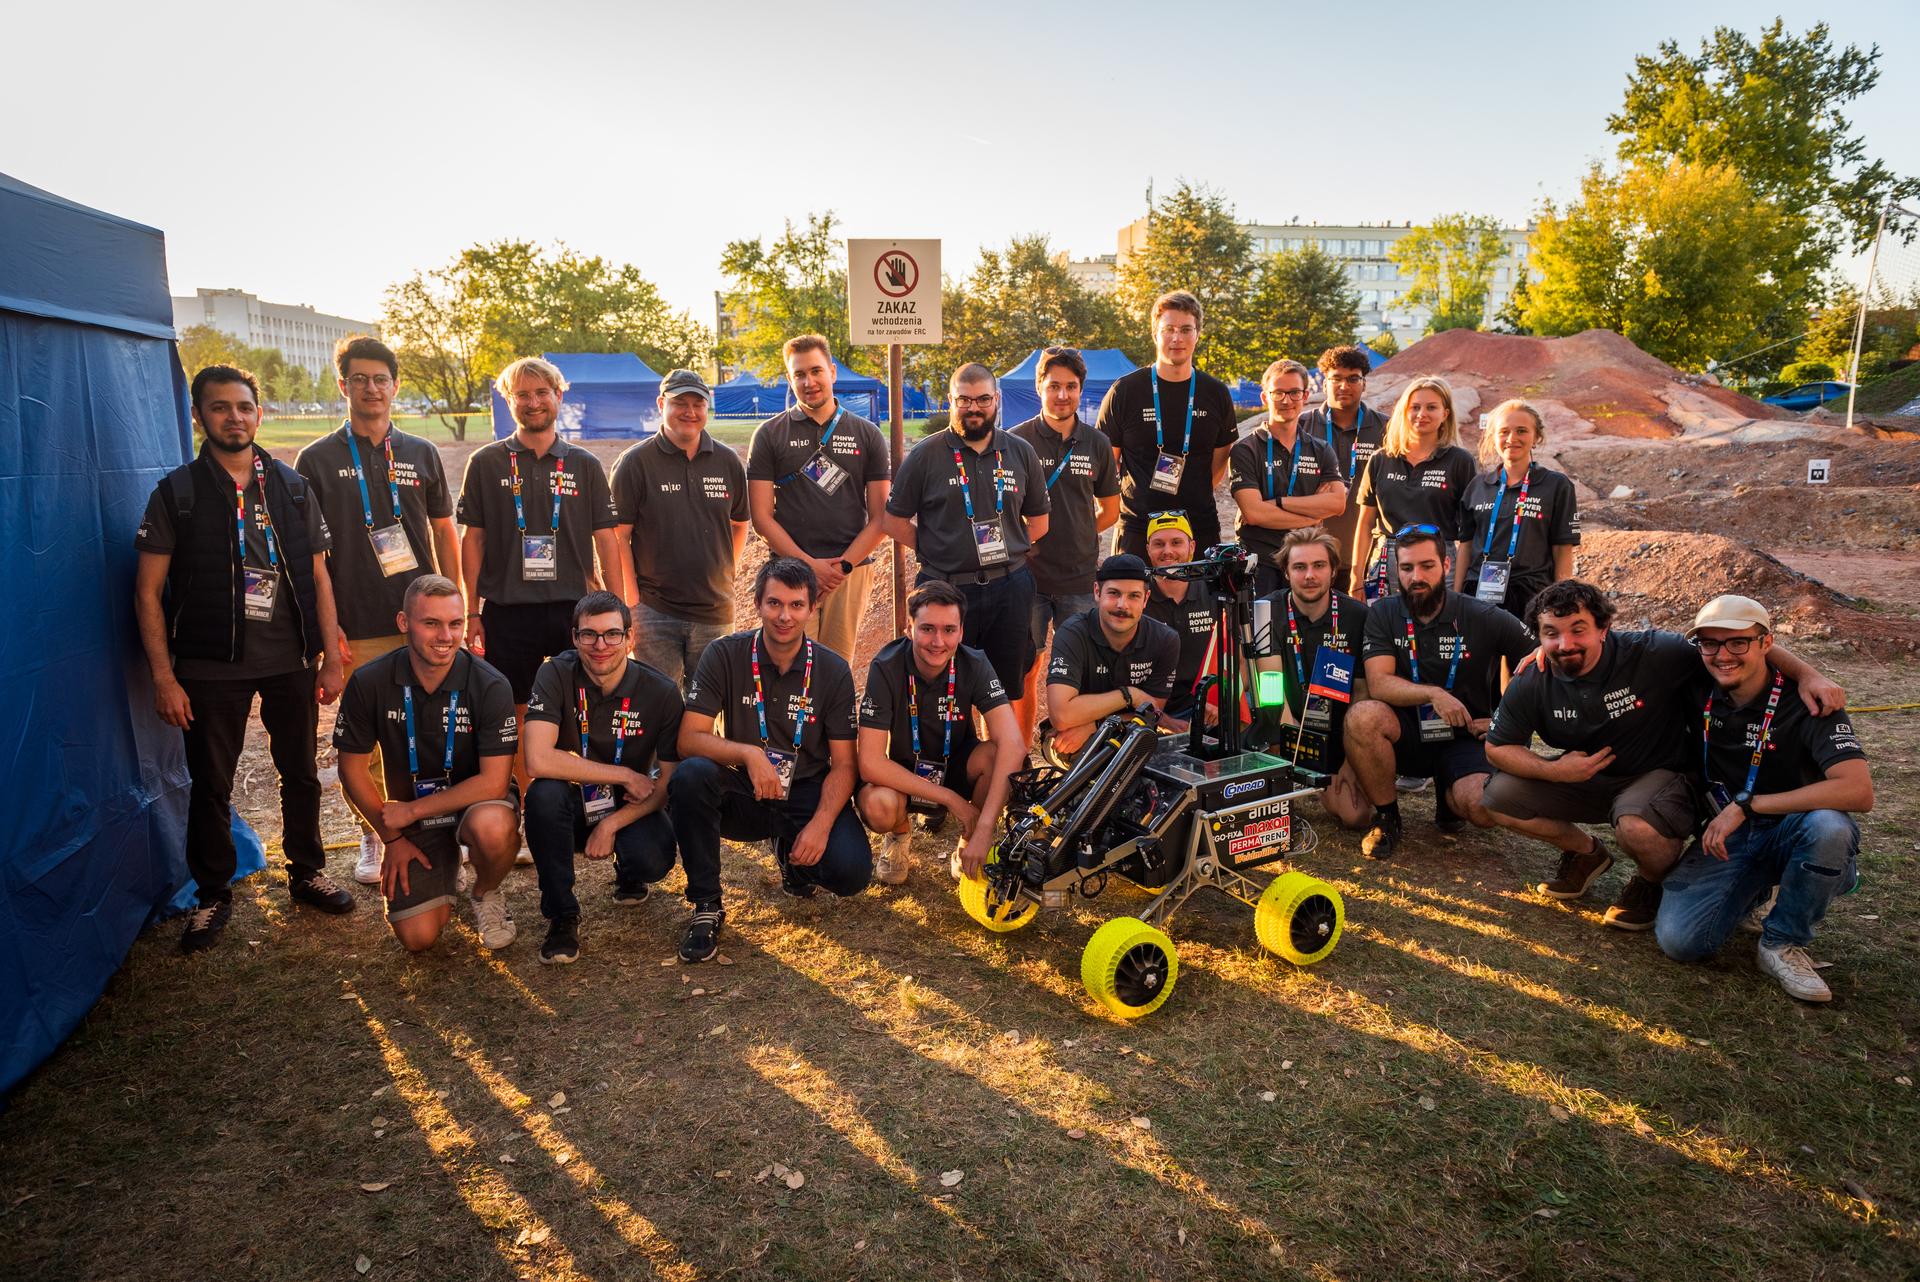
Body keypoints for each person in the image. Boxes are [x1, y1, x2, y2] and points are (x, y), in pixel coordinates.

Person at [134, 364, 353, 953]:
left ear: (260, 413)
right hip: (209, 667)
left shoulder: (292, 486)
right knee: (211, 784)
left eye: (244, 406)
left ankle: (306, 871)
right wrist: (164, 677)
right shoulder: (177, 493)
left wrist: (330, 657)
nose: (234, 417)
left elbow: (319, 577)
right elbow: (147, 593)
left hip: (290, 660)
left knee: (300, 773)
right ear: (198, 416)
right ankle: (212, 893)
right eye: (220, 407)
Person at [1483, 582, 1846, 931]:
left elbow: (1731, 646)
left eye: (1578, 630)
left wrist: (1808, 675)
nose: (1566, 644)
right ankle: (1586, 854)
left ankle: (1650, 882)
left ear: (1604, 628)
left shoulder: (1653, 652)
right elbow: (1497, 747)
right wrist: (1555, 771)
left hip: (1657, 777)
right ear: (1539, 636)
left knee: (1637, 828)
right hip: (1585, 778)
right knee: (1498, 797)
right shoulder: (1533, 679)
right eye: (1552, 633)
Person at [295, 335, 461, 885]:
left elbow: (444, 530)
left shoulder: (421, 452)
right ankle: (374, 830)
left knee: (431, 727)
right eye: (360, 379)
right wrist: (329, 629)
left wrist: (455, 607)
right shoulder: (316, 459)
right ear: (343, 385)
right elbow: (312, 558)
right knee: (364, 738)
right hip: (356, 622)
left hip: (422, 619)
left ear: (395, 386)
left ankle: (436, 829)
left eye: (381, 379)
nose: (371, 388)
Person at [1656, 596, 1872, 1002]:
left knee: (1830, 828)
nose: (1723, 655)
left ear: (1766, 643)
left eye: (1738, 642)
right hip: (1728, 837)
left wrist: (1748, 805)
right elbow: (1610, 646)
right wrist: (1546, 648)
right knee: (1681, 942)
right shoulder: (1698, 677)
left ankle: (1782, 943)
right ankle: (1759, 890)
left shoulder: (1808, 701)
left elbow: (1858, 790)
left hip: (1792, 826)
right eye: (1710, 643)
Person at [669, 557, 871, 963]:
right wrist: (748, 753)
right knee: (691, 776)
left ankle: (793, 856)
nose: (784, 616)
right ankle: (707, 904)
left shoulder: (832, 670)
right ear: (758, 603)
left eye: (796, 605)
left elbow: (845, 765)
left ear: (812, 608)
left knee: (850, 874)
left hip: (806, 788)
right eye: (774, 603)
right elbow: (689, 738)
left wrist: (820, 826)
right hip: (747, 787)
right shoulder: (724, 654)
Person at [457, 357, 621, 810]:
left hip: (574, 608)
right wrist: (471, 611)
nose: (533, 403)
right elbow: (473, 541)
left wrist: (618, 609)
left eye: (542, 393)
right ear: (508, 401)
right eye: (522, 395)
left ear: (558, 396)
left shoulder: (584, 464)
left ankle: (589, 802)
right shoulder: (486, 462)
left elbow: (607, 540)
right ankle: (533, 805)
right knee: (518, 712)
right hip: (508, 610)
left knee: (585, 706)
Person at [331, 575, 522, 953]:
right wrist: (392, 838)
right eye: (431, 623)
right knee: (418, 939)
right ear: (404, 622)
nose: (445, 636)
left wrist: (410, 811)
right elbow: (351, 768)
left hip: (472, 805)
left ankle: (486, 892)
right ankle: (446, 865)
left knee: (493, 826)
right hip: (413, 821)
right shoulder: (370, 681)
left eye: (455, 624)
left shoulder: (490, 684)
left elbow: (494, 783)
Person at [1337, 525, 1535, 859]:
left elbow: (1538, 658)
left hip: (1465, 737)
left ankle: (1450, 796)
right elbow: (1379, 682)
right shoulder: (1383, 613)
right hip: (1408, 734)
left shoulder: (1480, 614)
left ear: (1445, 565)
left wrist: (1506, 721)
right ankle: (1388, 818)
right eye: (1407, 567)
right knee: (1362, 716)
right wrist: (1433, 694)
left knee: (1481, 810)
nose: (1416, 576)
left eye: (1426, 566)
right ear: (1396, 570)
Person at [520, 592, 686, 963]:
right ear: (574, 637)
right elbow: (537, 759)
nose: (600, 646)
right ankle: (562, 916)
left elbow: (666, 784)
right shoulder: (554, 673)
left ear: (630, 638)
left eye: (612, 634)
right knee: (542, 796)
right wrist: (623, 773)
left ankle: (629, 870)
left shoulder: (661, 692)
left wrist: (611, 825)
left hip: (629, 804)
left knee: (652, 860)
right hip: (573, 801)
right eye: (589, 635)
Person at [884, 363, 1049, 696]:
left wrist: (1007, 546)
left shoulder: (1020, 451)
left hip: (1009, 589)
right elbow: (893, 521)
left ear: (996, 399)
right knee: (942, 689)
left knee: (1002, 691)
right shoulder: (925, 455)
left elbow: (1040, 523)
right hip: (944, 589)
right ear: (950, 400)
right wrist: (938, 548)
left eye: (983, 399)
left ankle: (997, 734)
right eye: (964, 400)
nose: (974, 408)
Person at [855, 581, 1025, 885]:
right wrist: (950, 800)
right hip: (904, 773)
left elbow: (1014, 745)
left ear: (961, 631)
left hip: (955, 765)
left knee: (999, 756)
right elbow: (869, 762)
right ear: (909, 629)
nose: (938, 641)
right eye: (927, 629)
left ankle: (969, 839)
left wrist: (985, 827)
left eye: (949, 630)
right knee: (878, 805)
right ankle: (899, 833)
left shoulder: (975, 663)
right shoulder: (886, 666)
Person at [746, 335, 892, 660]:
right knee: (789, 665)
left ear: (832, 372)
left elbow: (881, 518)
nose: (809, 382)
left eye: (816, 371)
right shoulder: (769, 434)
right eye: (799, 374)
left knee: (837, 667)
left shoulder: (867, 434)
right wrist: (808, 567)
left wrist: (841, 568)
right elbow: (762, 518)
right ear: (790, 379)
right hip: (789, 573)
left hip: (849, 572)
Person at [611, 368, 748, 686]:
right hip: (655, 612)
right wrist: (633, 602)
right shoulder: (635, 463)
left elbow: (740, 523)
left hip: (715, 612)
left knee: (709, 704)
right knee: (662, 704)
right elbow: (619, 537)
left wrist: (727, 573)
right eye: (680, 403)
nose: (690, 412)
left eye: (698, 404)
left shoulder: (727, 461)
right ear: (661, 404)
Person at [1010, 347, 1121, 741]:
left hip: (1079, 578)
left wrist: (1080, 534)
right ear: (1039, 387)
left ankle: (1078, 751)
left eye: (1070, 387)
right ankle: (1019, 751)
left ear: (1080, 390)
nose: (1062, 395)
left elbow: (1111, 510)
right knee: (1025, 667)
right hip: (1027, 578)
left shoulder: (1097, 443)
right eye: (1054, 386)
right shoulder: (1015, 441)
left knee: (1082, 669)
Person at [1096, 290, 1237, 561]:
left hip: (1198, 528)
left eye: (1186, 330)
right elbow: (1106, 464)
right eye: (1168, 329)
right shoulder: (1125, 391)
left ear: (1197, 334)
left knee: (1201, 592)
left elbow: (1218, 466)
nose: (1177, 338)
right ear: (1155, 333)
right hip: (1138, 529)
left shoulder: (1216, 393)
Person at [1251, 528, 1370, 816]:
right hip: (1285, 725)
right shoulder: (1266, 610)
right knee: (1273, 813)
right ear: (1286, 572)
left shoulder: (1357, 615)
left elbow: (1362, 693)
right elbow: (1270, 689)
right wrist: (1298, 751)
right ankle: (1280, 775)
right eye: (1299, 567)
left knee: (1356, 817)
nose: (1309, 575)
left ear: (1333, 570)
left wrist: (1352, 760)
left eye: (1319, 566)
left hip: (1338, 732)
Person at [1348, 377, 1476, 602]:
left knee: (1437, 623)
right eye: (1415, 407)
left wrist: (1458, 587)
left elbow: (1468, 533)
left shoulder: (1460, 460)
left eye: (1431, 407)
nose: (1421, 414)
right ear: (1404, 411)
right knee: (1386, 623)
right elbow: (1365, 523)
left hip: (1438, 560)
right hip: (1386, 560)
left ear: (1445, 414)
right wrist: (1356, 577)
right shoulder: (1381, 459)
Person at [1229, 359, 1348, 596]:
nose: (1286, 401)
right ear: (1265, 397)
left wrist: (1278, 503)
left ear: (1305, 396)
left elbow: (1337, 503)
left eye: (1294, 392)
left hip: (1307, 562)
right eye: (1278, 393)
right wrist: (1312, 516)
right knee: (1261, 622)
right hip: (1261, 563)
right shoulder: (1246, 449)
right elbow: (1254, 513)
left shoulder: (1320, 449)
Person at [1043, 554, 1181, 758]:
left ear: (1146, 599)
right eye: (1114, 593)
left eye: (1134, 596)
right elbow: (1062, 716)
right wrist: (1130, 695)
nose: (1122, 605)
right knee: (1065, 748)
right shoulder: (1072, 633)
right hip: (1073, 737)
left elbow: (1151, 714)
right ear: (1097, 592)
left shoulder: (1165, 639)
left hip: (1124, 733)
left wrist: (1097, 725)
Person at [1453, 399, 1579, 621]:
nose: (1512, 438)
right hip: (1478, 592)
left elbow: (1562, 548)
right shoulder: (1477, 486)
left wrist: (1561, 603)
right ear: (1493, 437)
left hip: (1533, 596)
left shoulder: (1556, 485)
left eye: (1521, 431)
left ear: (1536, 437)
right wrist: (1455, 598)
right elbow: (1466, 545)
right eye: (1504, 432)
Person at [1140, 512, 1213, 728]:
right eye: (1159, 544)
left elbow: (1237, 658)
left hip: (1205, 705)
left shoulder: (1212, 591)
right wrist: (1165, 721)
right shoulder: (1136, 597)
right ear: (1148, 549)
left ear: (1192, 547)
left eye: (1176, 542)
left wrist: (1220, 699)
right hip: (1147, 708)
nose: (1167, 551)